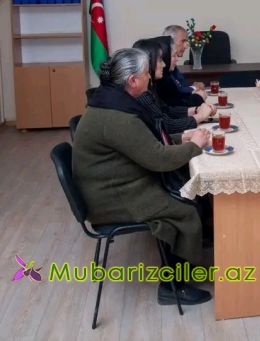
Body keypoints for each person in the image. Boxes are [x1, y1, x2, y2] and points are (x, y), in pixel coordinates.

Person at [72, 48, 213, 306]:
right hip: (113, 197)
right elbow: (157, 158)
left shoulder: (111, 102)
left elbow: (144, 142)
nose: (150, 77)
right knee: (185, 209)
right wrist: (194, 146)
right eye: (146, 73)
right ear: (133, 80)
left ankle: (186, 259)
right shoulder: (118, 117)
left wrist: (181, 138)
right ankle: (172, 287)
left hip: (111, 184)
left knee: (189, 193)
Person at [133, 38, 215, 134]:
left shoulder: (151, 86)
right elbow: (167, 125)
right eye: (160, 60)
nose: (164, 64)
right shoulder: (141, 93)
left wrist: (196, 110)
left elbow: (166, 110)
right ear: (149, 62)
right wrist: (200, 116)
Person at [152, 36, 207, 108]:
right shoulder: (162, 81)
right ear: (166, 57)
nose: (177, 58)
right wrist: (198, 97)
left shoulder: (168, 75)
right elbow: (175, 107)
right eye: (174, 55)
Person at [163, 25, 206, 94]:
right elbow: (176, 92)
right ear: (171, 41)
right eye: (183, 41)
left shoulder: (173, 65)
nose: (186, 46)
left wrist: (191, 87)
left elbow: (181, 86)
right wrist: (194, 87)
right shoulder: (163, 66)